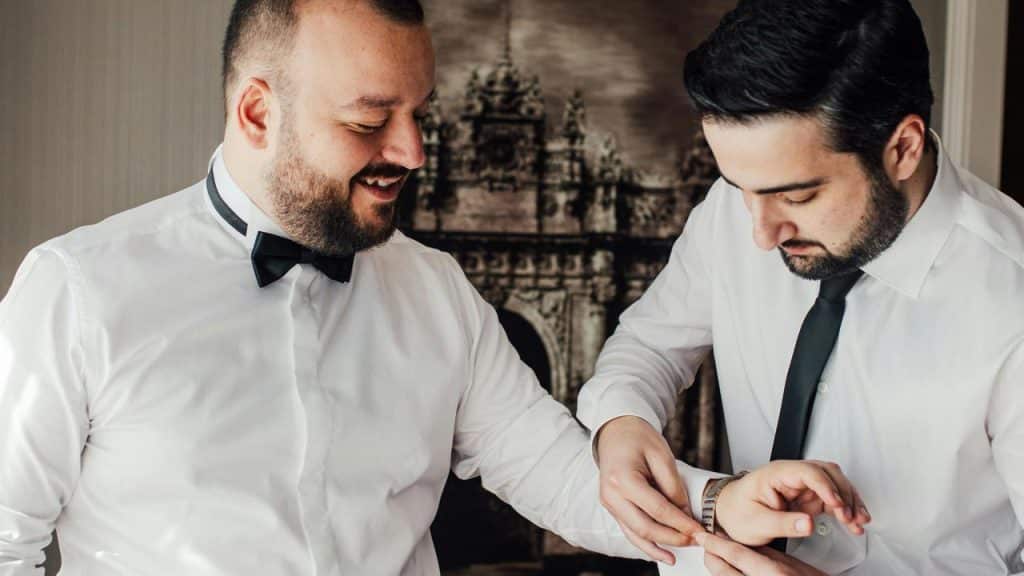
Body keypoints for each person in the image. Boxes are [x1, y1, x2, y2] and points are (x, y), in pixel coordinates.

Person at [0, 1, 869, 574]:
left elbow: (563, 475)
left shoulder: (436, 292)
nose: (412, 152)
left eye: (418, 114)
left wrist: (719, 503)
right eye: (370, 121)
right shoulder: (78, 292)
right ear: (258, 113)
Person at [580, 0, 1024, 574]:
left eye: (797, 196)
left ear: (902, 149)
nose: (761, 234)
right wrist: (620, 423)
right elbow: (648, 345)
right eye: (738, 186)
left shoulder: (1012, 300)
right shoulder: (738, 209)